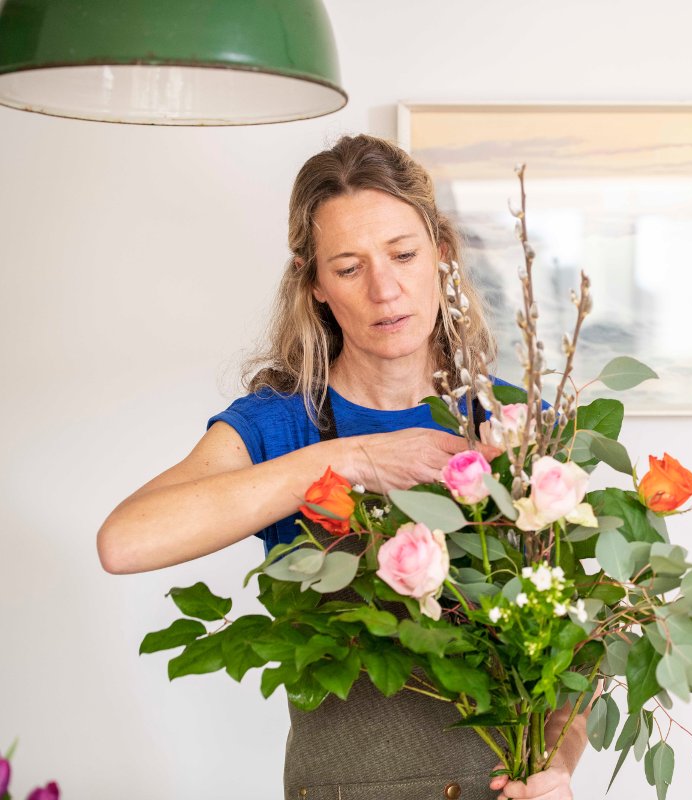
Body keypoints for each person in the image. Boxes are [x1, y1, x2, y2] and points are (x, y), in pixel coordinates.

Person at [97, 134, 589, 800]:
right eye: (349, 267)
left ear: (441, 254)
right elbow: (126, 541)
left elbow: (578, 649)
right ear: (315, 284)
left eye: (404, 254)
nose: (385, 289)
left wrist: (558, 764)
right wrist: (350, 459)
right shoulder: (283, 424)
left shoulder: (509, 421)